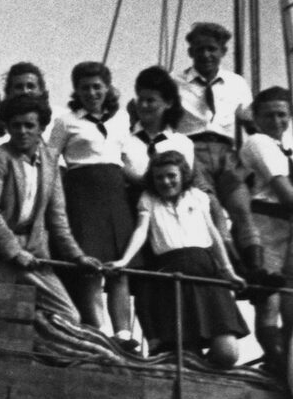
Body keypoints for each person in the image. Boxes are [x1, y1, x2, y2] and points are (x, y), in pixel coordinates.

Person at [112, 150, 248, 367]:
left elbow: (214, 236)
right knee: (185, 353)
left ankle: (205, 373)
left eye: (171, 175)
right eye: (159, 177)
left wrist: (228, 271)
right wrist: (124, 260)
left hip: (205, 274)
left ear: (183, 175)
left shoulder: (198, 196)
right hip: (172, 274)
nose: (166, 182)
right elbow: (141, 231)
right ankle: (195, 378)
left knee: (227, 353)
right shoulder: (148, 199)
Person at [0, 93, 94, 321]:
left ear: (42, 128)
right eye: (16, 125)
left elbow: (57, 218)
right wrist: (14, 252)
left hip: (35, 253)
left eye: (29, 125)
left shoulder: (50, 162)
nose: (22, 131)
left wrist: (77, 256)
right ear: (7, 127)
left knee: (68, 316)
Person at [46, 60, 135, 339]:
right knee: (91, 268)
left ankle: (123, 334)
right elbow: (50, 158)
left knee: (119, 268)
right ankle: (97, 331)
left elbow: (125, 158)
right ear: (76, 90)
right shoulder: (66, 120)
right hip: (82, 193)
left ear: (107, 88)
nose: (92, 92)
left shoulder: (121, 118)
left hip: (115, 193)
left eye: (97, 86)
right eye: (85, 87)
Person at [175, 21, 259, 264]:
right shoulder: (174, 81)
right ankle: (237, 268)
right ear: (191, 52)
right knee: (212, 211)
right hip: (191, 150)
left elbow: (249, 120)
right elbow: (148, 105)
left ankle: (256, 268)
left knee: (242, 210)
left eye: (212, 49)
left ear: (223, 51)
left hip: (226, 152)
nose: (206, 54)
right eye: (199, 49)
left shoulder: (236, 83)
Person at [240, 86, 293, 370]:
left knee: (291, 303)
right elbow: (284, 192)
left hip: (290, 224)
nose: (276, 121)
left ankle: (284, 363)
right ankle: (277, 361)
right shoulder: (259, 143)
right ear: (257, 118)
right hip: (265, 221)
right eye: (269, 115)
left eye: (282, 115)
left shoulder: (287, 146)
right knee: (269, 303)